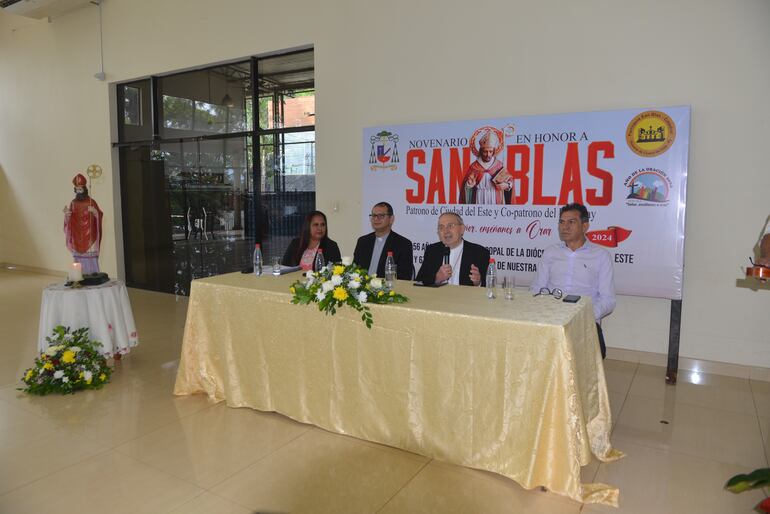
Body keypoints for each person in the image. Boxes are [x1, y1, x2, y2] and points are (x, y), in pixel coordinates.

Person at [530, 203, 615, 359]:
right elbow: (537, 288)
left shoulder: (601, 256)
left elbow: (608, 300)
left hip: (584, 321)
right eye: (561, 222)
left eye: (571, 222)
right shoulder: (550, 253)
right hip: (552, 319)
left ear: (585, 226)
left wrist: (584, 315)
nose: (565, 227)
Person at [415, 212, 490, 286]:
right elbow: (419, 281)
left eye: (450, 226)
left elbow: (488, 285)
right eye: (441, 227)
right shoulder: (432, 250)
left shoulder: (480, 253)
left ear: (462, 229)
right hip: (437, 297)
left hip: (465, 297)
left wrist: (478, 282)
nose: (446, 231)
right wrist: (437, 278)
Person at [353, 202, 414, 280]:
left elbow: (404, 276)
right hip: (363, 288)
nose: (376, 219)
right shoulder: (363, 241)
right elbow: (355, 270)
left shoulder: (403, 244)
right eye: (374, 215)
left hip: (388, 289)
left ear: (391, 219)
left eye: (381, 216)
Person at [460, 128, 512, 204]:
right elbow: (465, 187)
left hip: (495, 198)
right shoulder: (474, 166)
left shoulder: (498, 165)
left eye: (490, 151)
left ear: (494, 151)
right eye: (485, 151)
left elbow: (509, 180)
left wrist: (507, 185)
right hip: (478, 198)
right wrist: (469, 185)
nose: (488, 154)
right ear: (481, 151)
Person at [63, 173, 103, 274]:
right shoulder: (73, 203)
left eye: (80, 189)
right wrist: (67, 215)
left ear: (85, 189)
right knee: (79, 260)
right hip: (77, 234)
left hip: (90, 235)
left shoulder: (91, 202)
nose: (78, 191)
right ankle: (78, 276)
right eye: (77, 190)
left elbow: (99, 215)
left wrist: (95, 212)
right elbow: (70, 218)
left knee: (90, 258)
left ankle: (93, 275)